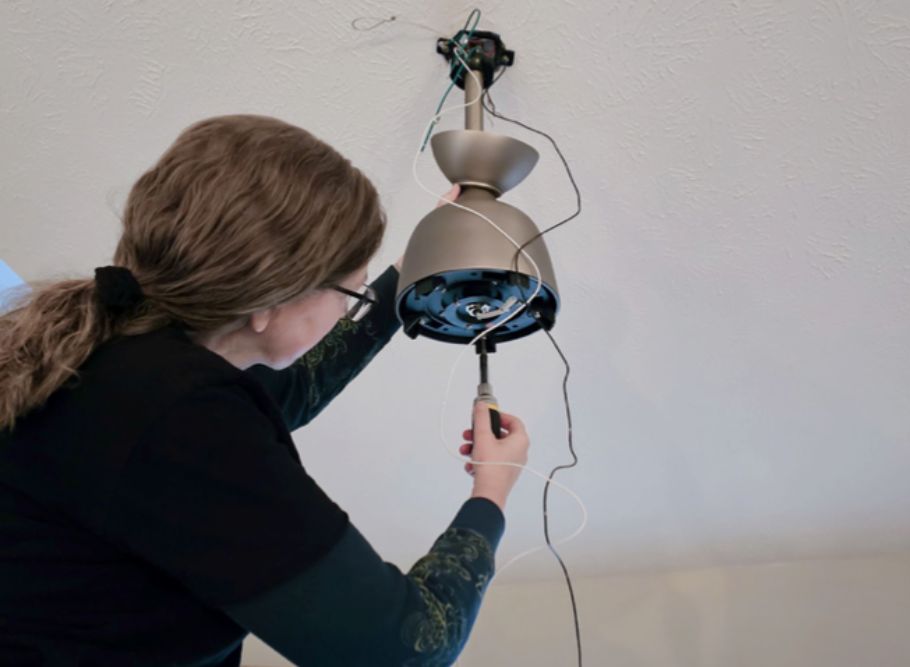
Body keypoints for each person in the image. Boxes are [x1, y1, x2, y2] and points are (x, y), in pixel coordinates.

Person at [0, 114, 531, 666]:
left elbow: (291, 390)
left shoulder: (131, 343)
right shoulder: (181, 419)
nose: (349, 308)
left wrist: (415, 262)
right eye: (349, 294)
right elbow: (401, 648)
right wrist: (491, 493)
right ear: (269, 305)